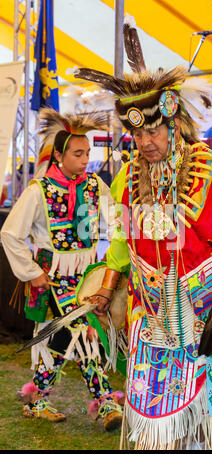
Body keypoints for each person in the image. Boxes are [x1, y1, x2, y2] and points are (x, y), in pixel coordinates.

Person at [73, 18, 212, 450]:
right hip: (150, 314)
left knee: (196, 416)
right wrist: (105, 291)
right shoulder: (125, 180)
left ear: (173, 123)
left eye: (152, 130)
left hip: (202, 315)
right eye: (136, 133)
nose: (143, 141)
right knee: (148, 422)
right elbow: (120, 244)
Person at [1, 108, 123, 430]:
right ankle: (107, 403)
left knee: (67, 333)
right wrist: (32, 272)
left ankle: (36, 398)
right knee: (81, 333)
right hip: (53, 276)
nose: (85, 160)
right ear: (58, 154)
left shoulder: (95, 185)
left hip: (85, 274)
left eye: (88, 153)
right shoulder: (37, 191)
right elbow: (9, 234)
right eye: (78, 153)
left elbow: (118, 221)